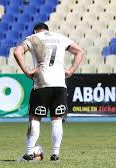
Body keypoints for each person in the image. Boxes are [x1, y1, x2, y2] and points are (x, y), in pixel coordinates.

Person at [13, 23, 84, 161]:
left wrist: (26, 71)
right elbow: (80, 51)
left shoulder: (33, 37)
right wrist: (70, 71)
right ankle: (55, 154)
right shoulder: (61, 37)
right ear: (47, 30)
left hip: (42, 83)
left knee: (35, 118)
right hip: (60, 84)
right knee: (57, 119)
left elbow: (17, 51)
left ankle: (28, 153)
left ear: (35, 30)